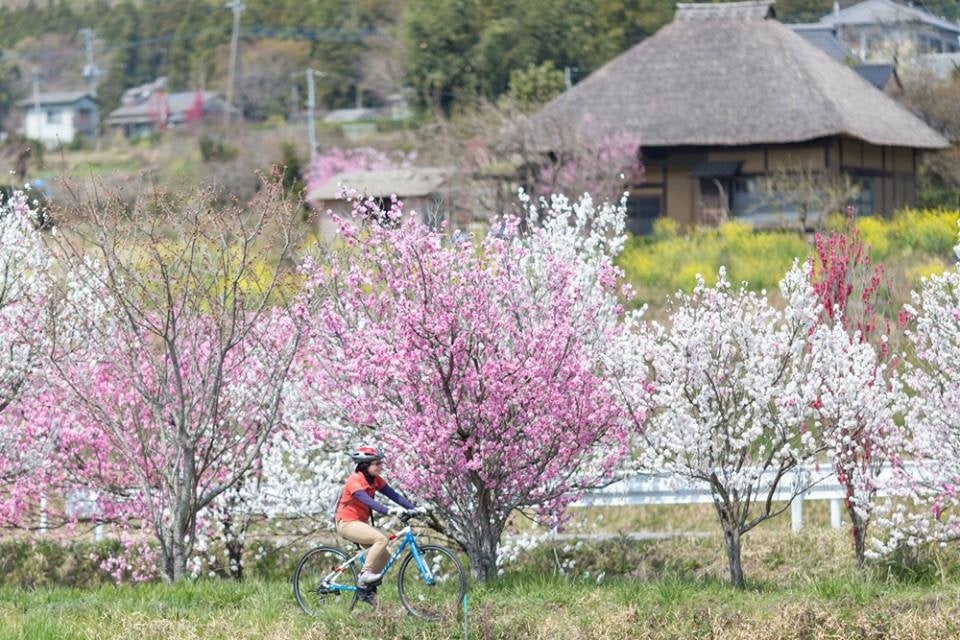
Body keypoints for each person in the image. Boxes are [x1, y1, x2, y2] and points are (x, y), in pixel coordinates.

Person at [335, 445, 419, 589]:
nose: (381, 466)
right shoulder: (354, 480)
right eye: (377, 463)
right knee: (382, 538)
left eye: (381, 463)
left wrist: (414, 509)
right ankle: (365, 575)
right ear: (365, 465)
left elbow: (394, 495)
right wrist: (388, 511)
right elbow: (367, 500)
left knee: (385, 555)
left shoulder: (375, 480)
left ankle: (366, 588)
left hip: (360, 524)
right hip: (346, 523)